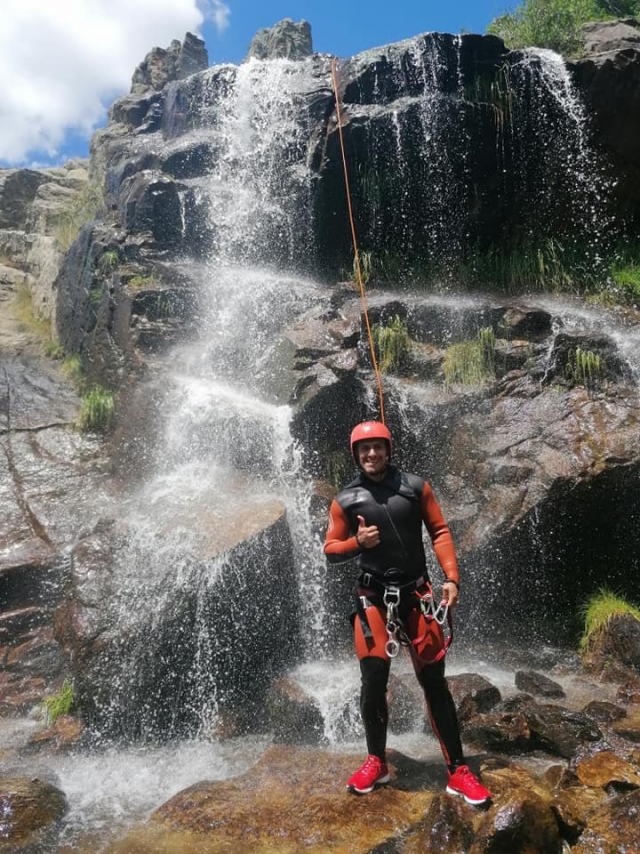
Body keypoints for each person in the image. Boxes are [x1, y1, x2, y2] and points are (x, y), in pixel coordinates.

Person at [324, 420, 492, 805]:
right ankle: (376, 761)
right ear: (355, 455)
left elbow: (440, 532)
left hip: (417, 593)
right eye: (364, 449)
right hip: (373, 598)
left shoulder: (416, 488)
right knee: (373, 679)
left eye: (378, 448)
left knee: (434, 682)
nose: (371, 454)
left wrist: (452, 578)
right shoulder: (346, 500)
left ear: (388, 450)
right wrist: (356, 542)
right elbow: (330, 549)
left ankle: (459, 771)